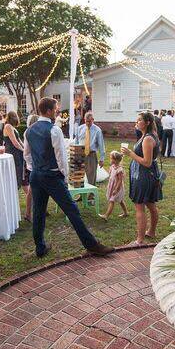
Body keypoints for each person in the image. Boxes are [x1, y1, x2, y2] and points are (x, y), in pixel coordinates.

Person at [23, 97, 114, 258]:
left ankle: (40, 248)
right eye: (56, 109)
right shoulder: (54, 130)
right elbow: (61, 158)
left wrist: (34, 169)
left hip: (36, 176)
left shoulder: (28, 130)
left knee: (38, 212)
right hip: (52, 175)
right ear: (49, 111)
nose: (57, 111)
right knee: (72, 211)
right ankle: (92, 245)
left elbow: (27, 155)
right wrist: (64, 177)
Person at [122, 112, 162, 245]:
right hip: (147, 175)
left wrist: (130, 154)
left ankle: (140, 240)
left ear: (148, 122)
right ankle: (151, 232)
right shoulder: (148, 135)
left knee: (140, 206)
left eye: (139, 120)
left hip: (144, 175)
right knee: (150, 204)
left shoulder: (148, 139)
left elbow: (147, 162)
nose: (137, 122)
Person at [4, 111, 32, 223]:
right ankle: (11, 206)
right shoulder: (7, 126)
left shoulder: (13, 127)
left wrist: (26, 150)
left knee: (23, 177)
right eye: (15, 116)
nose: (17, 118)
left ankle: (32, 202)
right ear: (12, 117)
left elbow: (19, 141)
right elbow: (15, 143)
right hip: (13, 154)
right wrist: (24, 151)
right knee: (17, 177)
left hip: (18, 154)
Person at [75, 112, 105, 186]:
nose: (88, 123)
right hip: (80, 154)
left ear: (93, 120)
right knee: (78, 176)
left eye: (89, 121)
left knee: (91, 177)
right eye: (86, 121)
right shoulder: (80, 128)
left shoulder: (97, 130)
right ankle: (80, 194)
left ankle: (90, 195)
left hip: (91, 155)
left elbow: (101, 145)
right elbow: (76, 142)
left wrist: (102, 159)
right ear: (84, 120)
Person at [100, 151, 129, 219]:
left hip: (117, 187)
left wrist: (116, 189)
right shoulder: (112, 167)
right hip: (112, 186)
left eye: (111, 158)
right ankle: (126, 212)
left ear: (116, 160)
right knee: (121, 200)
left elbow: (119, 181)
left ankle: (106, 215)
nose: (110, 160)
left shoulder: (119, 170)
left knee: (111, 200)